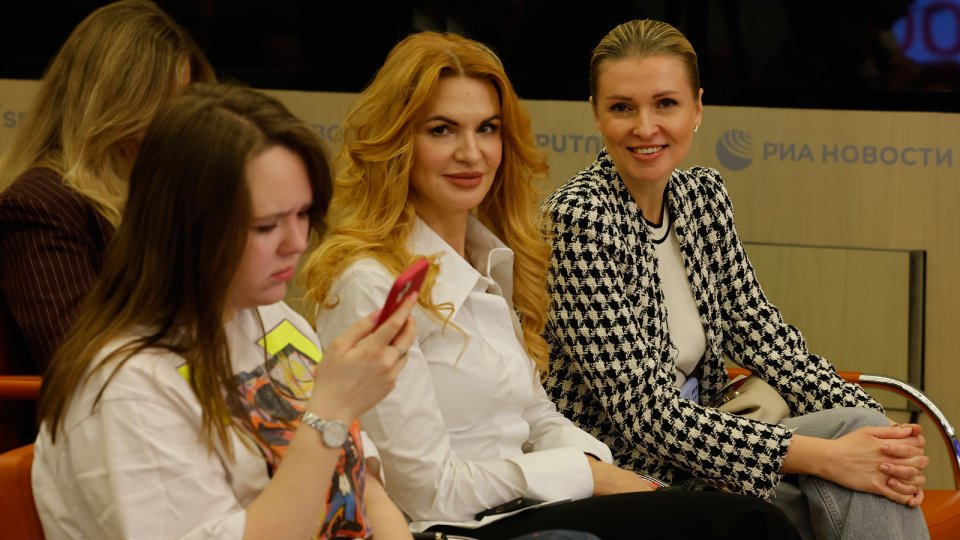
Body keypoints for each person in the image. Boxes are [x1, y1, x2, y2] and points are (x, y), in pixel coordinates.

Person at [304, 31, 801, 540]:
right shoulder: (370, 285)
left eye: (487, 129)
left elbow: (539, 418)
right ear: (397, 142)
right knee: (747, 521)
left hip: (536, 502)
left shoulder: (491, 259)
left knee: (751, 511)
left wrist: (607, 475)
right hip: (459, 526)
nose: (471, 153)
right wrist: (585, 476)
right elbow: (426, 493)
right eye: (442, 130)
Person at [540, 18, 930, 539]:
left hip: (711, 458)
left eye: (666, 103)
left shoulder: (702, 197)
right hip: (630, 477)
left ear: (697, 108)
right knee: (855, 467)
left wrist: (891, 439)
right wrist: (828, 456)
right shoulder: (579, 219)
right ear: (596, 113)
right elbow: (646, 416)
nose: (645, 127)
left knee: (866, 434)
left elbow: (768, 341)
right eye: (622, 108)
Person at [32, 83, 418, 540]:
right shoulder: (126, 387)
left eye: (302, 214)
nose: (297, 243)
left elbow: (365, 490)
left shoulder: (274, 319)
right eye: (266, 226)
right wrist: (332, 409)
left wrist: (335, 410)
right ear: (187, 226)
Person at [0, 0, 215, 376]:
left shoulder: (161, 195)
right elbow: (82, 363)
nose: (182, 119)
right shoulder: (39, 204)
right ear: (117, 105)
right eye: (168, 100)